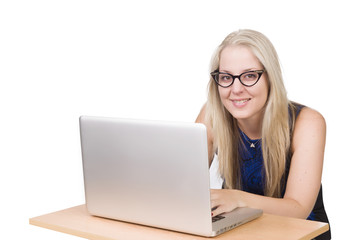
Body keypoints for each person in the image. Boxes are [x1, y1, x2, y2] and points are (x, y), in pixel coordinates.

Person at [196, 29, 331, 239]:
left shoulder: (307, 122)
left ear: (270, 78)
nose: (236, 88)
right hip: (241, 232)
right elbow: (182, 184)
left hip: (300, 233)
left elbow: (298, 210)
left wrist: (237, 199)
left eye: (249, 75)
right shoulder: (212, 114)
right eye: (226, 77)